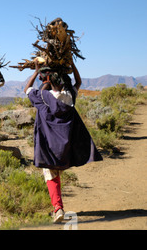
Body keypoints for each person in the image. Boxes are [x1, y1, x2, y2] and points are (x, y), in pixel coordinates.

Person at [24, 60, 102, 223]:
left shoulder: (44, 97)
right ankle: (57, 206)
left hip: (49, 147)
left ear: (49, 80)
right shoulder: (69, 97)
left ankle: (58, 208)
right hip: (66, 146)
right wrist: (72, 65)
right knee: (55, 173)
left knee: (50, 174)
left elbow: (27, 90)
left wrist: (35, 73)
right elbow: (78, 82)